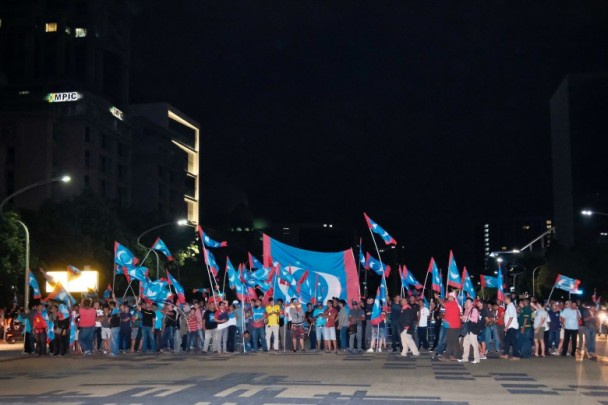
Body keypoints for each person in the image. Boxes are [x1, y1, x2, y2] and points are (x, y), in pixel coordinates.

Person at [434, 292, 461, 361]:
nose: (448, 297)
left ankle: (446, 356)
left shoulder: (451, 303)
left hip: (452, 326)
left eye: (449, 296)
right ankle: (457, 356)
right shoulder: (455, 304)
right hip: (455, 326)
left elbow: (443, 304)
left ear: (453, 298)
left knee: (449, 341)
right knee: (455, 342)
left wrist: (438, 298)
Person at [459, 298, 481, 364]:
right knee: (465, 344)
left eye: (468, 302)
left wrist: (467, 317)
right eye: (466, 302)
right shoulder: (466, 310)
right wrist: (463, 318)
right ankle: (465, 358)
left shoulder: (474, 310)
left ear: (472, 303)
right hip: (467, 329)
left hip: (472, 329)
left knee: (474, 344)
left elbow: (475, 320)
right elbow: (465, 320)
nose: (467, 303)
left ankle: (477, 359)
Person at [500, 295, 520, 360]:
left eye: (505, 298)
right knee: (507, 341)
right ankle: (506, 354)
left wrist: (506, 327)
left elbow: (511, 317)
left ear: (508, 299)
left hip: (511, 327)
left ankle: (516, 356)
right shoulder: (509, 306)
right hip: (510, 327)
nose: (504, 300)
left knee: (513, 341)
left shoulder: (510, 306)